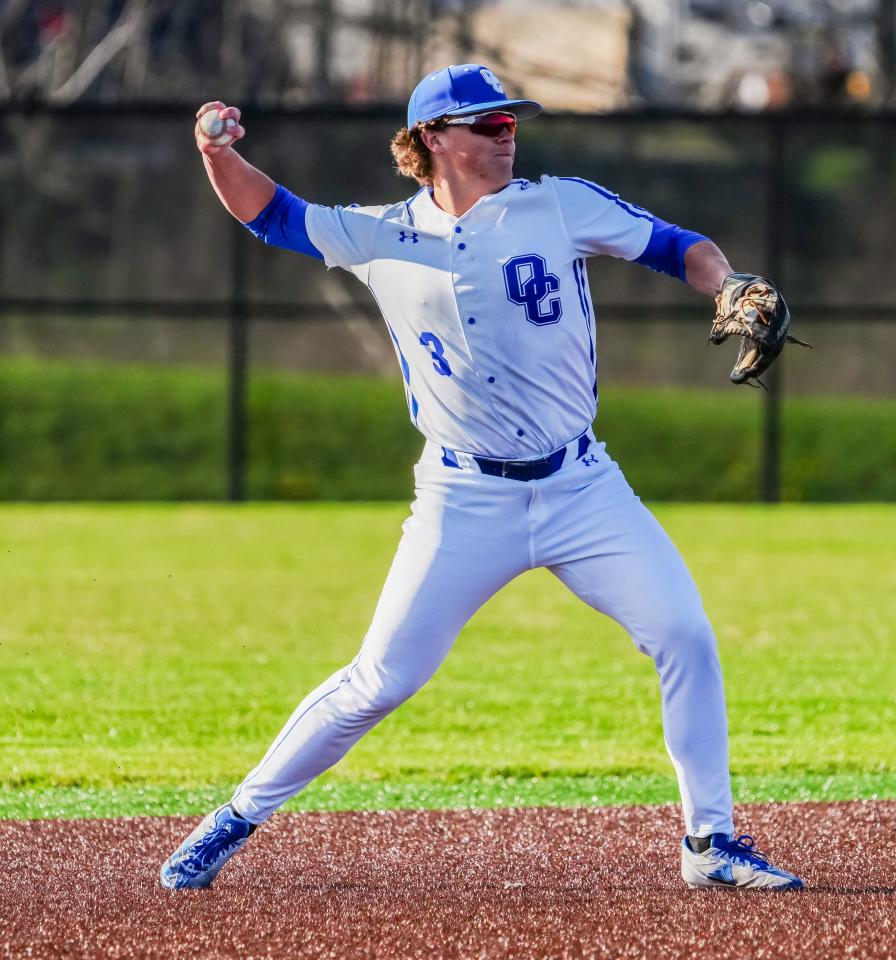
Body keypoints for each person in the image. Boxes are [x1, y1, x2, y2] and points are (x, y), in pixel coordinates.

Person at [160, 64, 803, 892]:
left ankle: (710, 845)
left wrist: (730, 283)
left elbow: (681, 247)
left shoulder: (558, 203)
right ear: (432, 139)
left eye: (511, 122)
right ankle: (237, 816)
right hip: (462, 500)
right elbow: (271, 214)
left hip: (582, 487)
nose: (507, 134)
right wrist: (214, 149)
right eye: (486, 124)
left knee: (684, 634)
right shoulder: (380, 232)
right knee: (379, 680)